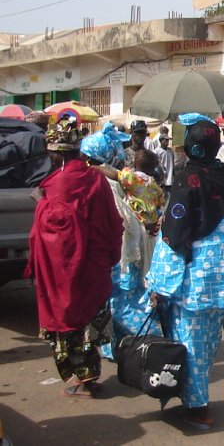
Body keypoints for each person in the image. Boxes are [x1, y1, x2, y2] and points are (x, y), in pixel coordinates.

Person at [146, 113, 224, 430]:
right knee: (207, 345)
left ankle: (199, 408)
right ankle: (195, 398)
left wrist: (159, 282)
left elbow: (174, 236)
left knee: (190, 346)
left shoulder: (186, 180)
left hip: (192, 283)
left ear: (191, 146)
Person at [25, 121, 123, 398]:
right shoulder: (96, 179)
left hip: (61, 271)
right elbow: (113, 222)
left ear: (55, 153)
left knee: (67, 320)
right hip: (93, 266)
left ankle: (77, 377)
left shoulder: (54, 184)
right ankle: (90, 377)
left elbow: (51, 229)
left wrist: (42, 206)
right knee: (89, 320)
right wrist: (111, 255)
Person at [80, 124, 161, 361]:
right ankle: (112, 348)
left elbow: (121, 224)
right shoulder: (127, 181)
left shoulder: (110, 183)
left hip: (120, 256)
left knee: (118, 304)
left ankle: (155, 339)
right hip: (130, 251)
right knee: (121, 300)